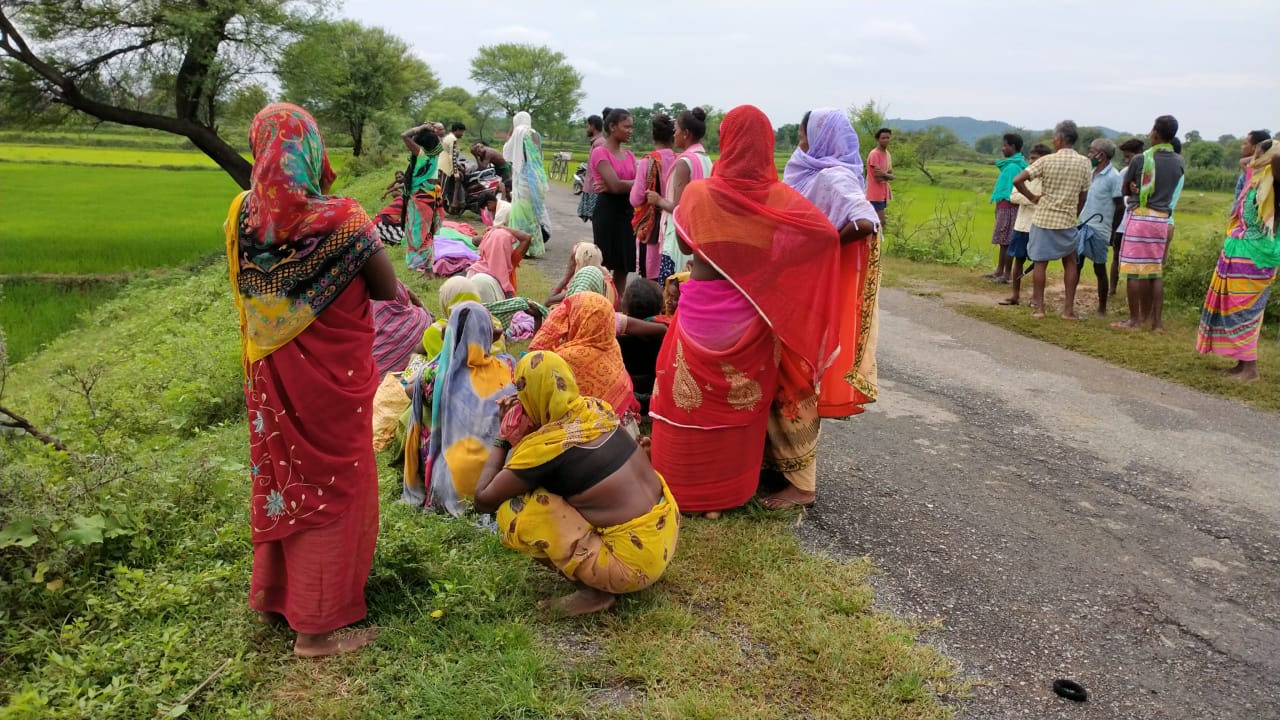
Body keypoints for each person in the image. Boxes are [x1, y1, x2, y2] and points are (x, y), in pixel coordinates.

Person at [227, 102, 397, 657]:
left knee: (284, 481)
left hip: (272, 381)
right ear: (312, 150)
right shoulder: (344, 220)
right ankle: (316, 632)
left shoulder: (240, 218)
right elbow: (388, 290)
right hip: (334, 386)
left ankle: (281, 596)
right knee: (332, 488)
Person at [649, 105, 842, 517]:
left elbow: (685, 247)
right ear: (768, 146)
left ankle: (683, 484)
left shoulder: (701, 194)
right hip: (751, 314)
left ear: (727, 141)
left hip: (701, 310)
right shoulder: (780, 199)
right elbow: (823, 235)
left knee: (688, 400)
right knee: (740, 401)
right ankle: (727, 491)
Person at [473, 351, 679, 616]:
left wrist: (503, 436)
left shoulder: (545, 449)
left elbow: (483, 500)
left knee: (513, 509)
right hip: (663, 533)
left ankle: (595, 592)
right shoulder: (597, 409)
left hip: (631, 566)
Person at [780, 108, 880, 508]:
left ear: (819, 137)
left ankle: (803, 483)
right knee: (787, 376)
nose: (800, 141)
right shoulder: (811, 171)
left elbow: (865, 221)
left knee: (796, 379)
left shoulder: (831, 176)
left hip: (809, 291)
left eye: (804, 133)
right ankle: (785, 466)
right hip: (797, 286)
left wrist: (822, 249)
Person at [403, 302, 515, 515]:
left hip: (452, 483)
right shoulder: (507, 367)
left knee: (425, 413)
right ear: (488, 335)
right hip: (499, 479)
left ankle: (427, 471)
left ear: (449, 334)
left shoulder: (435, 374)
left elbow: (409, 390)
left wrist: (441, 358)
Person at [1197, 138, 1278, 381]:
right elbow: (1245, 163)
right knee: (1235, 309)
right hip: (1241, 251)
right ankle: (1242, 364)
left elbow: (1276, 159)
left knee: (1247, 311)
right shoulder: (1256, 181)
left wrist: (1273, 150)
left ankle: (1250, 369)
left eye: (1257, 153)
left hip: (1257, 255)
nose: (1252, 157)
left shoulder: (1274, 183)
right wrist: (1259, 156)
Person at [1011, 120, 1092, 319]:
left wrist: (1031, 197)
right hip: (1067, 220)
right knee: (1071, 262)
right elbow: (1083, 196)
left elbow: (1017, 180)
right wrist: (1075, 213)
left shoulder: (1046, 161)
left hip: (1044, 219)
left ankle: (1039, 309)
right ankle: (1068, 310)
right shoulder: (1084, 163)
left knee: (1040, 263)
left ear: (1059, 139)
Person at [529, 292, 642, 431]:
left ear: (580, 319)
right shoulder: (610, 344)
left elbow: (533, 369)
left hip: (594, 435)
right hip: (626, 430)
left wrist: (538, 321)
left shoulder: (567, 357)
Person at [1114, 115, 1186, 332]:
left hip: (1141, 217)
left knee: (1134, 271)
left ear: (1155, 133)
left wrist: (1135, 188)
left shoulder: (1140, 159)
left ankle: (1135, 320)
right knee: (1155, 271)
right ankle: (1157, 323)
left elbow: (1125, 190)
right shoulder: (1179, 161)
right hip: (1162, 220)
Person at [647, 108, 713, 285]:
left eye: (676, 130)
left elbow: (678, 208)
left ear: (686, 134)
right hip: (699, 234)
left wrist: (658, 199)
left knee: (672, 289)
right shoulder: (706, 159)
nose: (673, 134)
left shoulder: (685, 162)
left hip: (679, 238)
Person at [1071, 138, 1125, 317]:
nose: (1089, 154)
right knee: (1075, 265)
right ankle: (1069, 303)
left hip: (1100, 229)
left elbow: (1119, 206)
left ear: (1101, 155)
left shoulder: (1113, 177)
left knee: (1099, 268)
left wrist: (1112, 232)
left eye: (1091, 151)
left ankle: (1102, 308)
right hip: (1082, 225)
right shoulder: (1091, 172)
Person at [591, 108, 638, 297]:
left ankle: (617, 306)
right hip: (607, 212)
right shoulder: (600, 153)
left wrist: (621, 185)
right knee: (603, 263)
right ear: (612, 126)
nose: (630, 130)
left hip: (627, 211)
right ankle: (601, 301)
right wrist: (634, 184)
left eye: (631, 127)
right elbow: (615, 186)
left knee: (623, 264)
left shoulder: (630, 155)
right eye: (626, 126)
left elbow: (618, 185)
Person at [1000, 144, 1051, 306]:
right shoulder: (1026, 175)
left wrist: (1029, 198)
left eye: (1035, 158)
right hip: (1021, 225)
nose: (1031, 161)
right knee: (1018, 260)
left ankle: (1036, 298)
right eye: (1031, 158)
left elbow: (1046, 201)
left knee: (1039, 264)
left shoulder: (1049, 179)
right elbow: (1013, 196)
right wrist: (1034, 198)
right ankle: (1015, 295)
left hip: (1039, 225)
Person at [630, 113, 677, 280]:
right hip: (673, 225)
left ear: (653, 136)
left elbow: (635, 199)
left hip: (652, 227)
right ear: (674, 137)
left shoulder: (647, 162)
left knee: (650, 275)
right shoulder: (681, 160)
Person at [502, 112, 552, 257]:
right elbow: (536, 157)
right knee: (532, 214)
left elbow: (506, 152)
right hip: (536, 179)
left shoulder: (518, 132)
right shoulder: (535, 133)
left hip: (522, 178)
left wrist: (511, 129)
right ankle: (533, 247)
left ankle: (520, 245)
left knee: (520, 212)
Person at [400, 122, 444, 273]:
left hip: (420, 197)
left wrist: (421, 128)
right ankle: (428, 269)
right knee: (427, 231)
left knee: (417, 232)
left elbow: (404, 135)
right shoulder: (436, 153)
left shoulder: (422, 155)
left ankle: (426, 269)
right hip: (431, 196)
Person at [372, 280, 433, 378]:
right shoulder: (421, 319)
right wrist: (415, 299)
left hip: (384, 388)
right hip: (423, 381)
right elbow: (431, 318)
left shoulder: (367, 345)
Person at [988, 133, 1027, 283]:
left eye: (1005, 145)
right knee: (1004, 241)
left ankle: (1006, 274)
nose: (1002, 148)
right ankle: (1000, 271)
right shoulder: (1014, 165)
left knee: (1007, 241)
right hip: (1005, 206)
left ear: (1013, 147)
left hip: (1009, 207)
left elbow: (1011, 190)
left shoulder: (1011, 167)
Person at [1111, 138, 1145, 297]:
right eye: (1124, 157)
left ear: (1138, 155)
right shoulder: (1124, 172)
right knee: (1116, 256)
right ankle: (1112, 289)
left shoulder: (1149, 172)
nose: (1126, 161)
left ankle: (1135, 293)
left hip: (1138, 222)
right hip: (1123, 224)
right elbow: (1120, 198)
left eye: (1128, 157)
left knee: (1138, 261)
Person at [578, 113, 606, 222]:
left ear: (593, 126)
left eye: (588, 126)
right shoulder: (597, 142)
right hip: (593, 187)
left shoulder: (599, 144)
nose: (587, 129)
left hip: (595, 189)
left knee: (596, 220)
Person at [865, 127, 894, 227]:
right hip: (874, 194)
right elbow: (878, 177)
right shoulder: (874, 154)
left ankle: (874, 242)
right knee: (880, 222)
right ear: (877, 139)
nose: (886, 140)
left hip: (883, 193)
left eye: (888, 137)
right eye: (883, 138)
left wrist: (884, 174)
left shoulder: (887, 154)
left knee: (877, 223)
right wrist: (887, 176)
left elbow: (892, 175)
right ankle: (873, 243)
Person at [440, 122, 466, 209]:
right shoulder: (452, 139)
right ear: (457, 130)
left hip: (444, 166)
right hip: (445, 167)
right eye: (462, 132)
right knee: (442, 191)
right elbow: (452, 157)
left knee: (442, 190)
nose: (462, 134)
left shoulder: (448, 138)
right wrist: (456, 173)